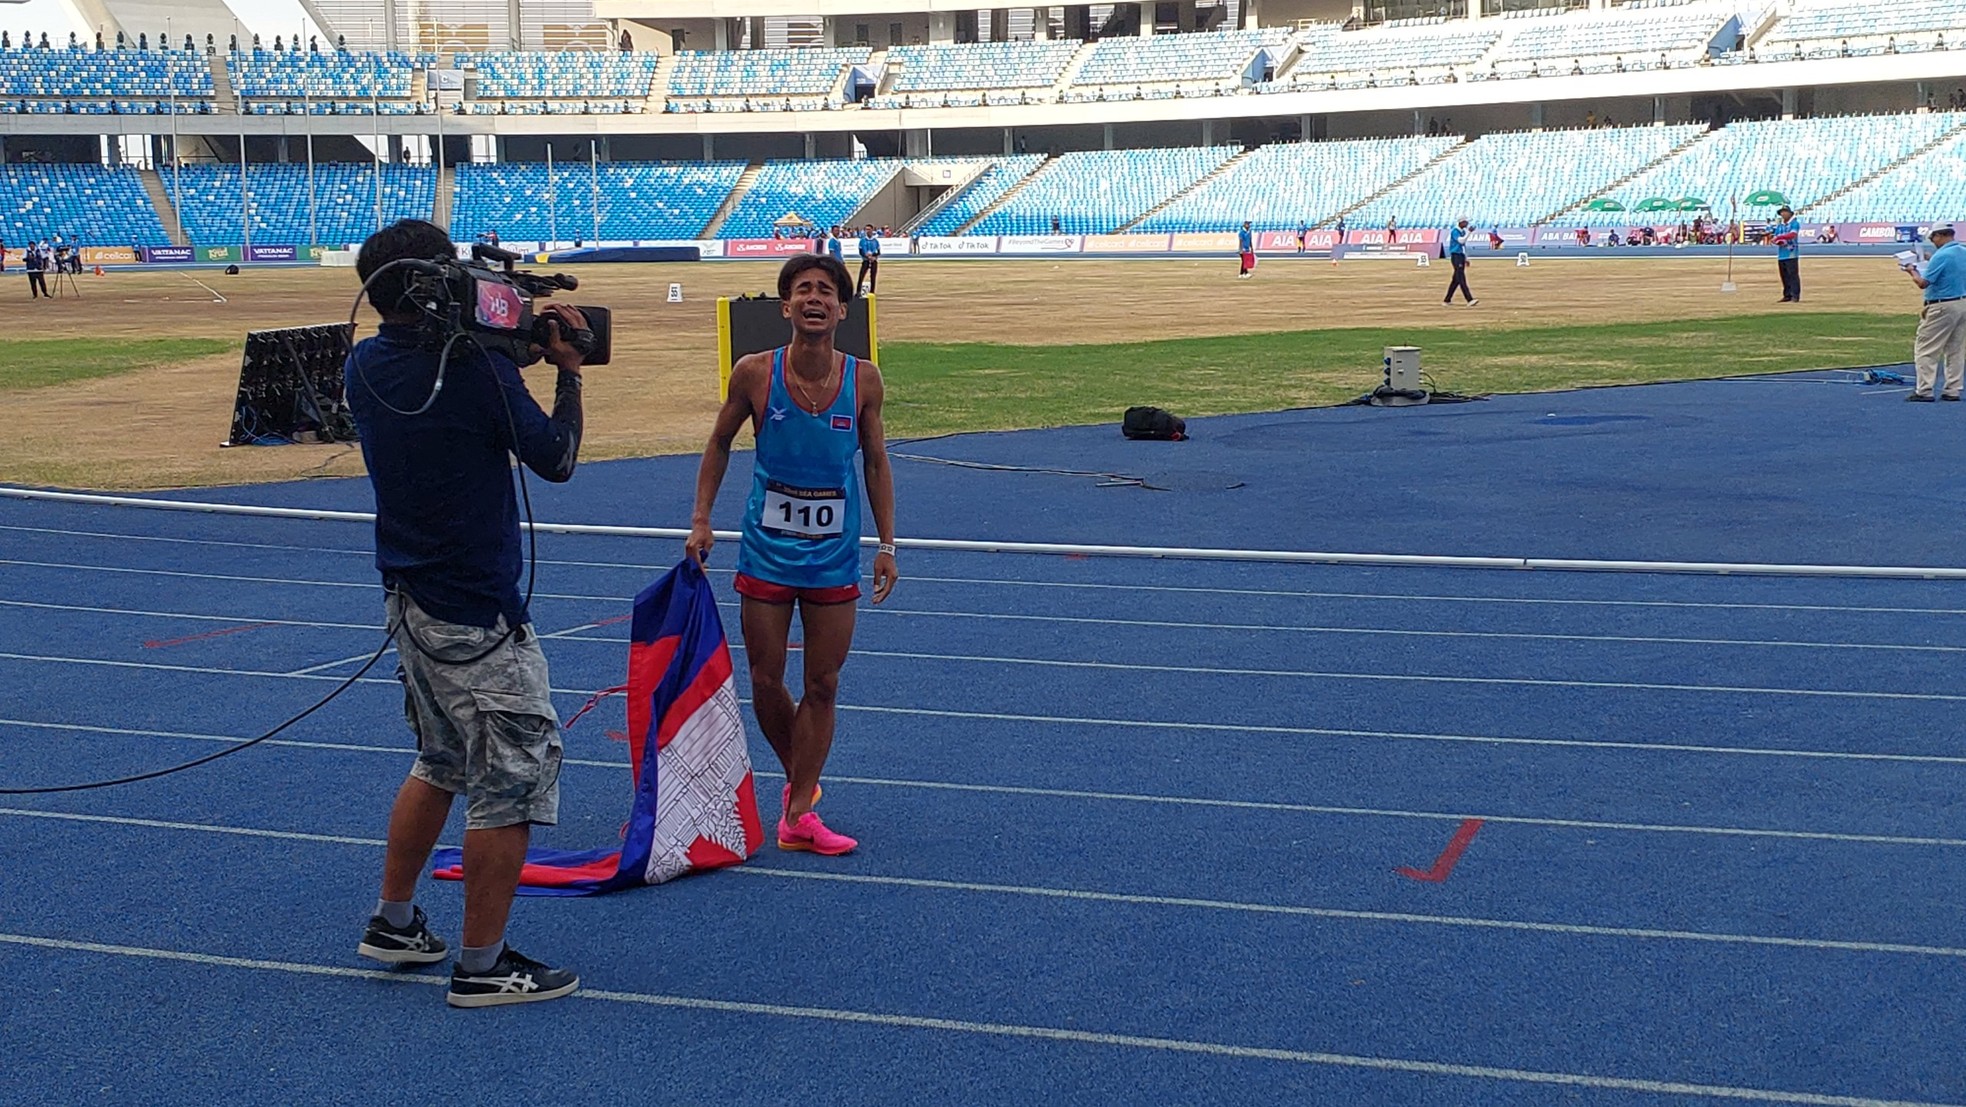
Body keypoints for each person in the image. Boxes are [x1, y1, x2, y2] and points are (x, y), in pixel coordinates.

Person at [344, 219, 591, 1008]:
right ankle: (483, 965)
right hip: (474, 611)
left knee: (442, 759)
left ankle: (395, 921)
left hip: (410, 599)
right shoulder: (475, 370)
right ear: (428, 282)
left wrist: (507, 344)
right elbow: (554, 457)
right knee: (512, 780)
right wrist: (568, 373)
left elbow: (449, 395)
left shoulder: (365, 364)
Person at [686, 253, 897, 856]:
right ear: (785, 306)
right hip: (766, 552)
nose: (814, 298)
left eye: (825, 291)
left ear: (841, 308)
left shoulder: (865, 379)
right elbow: (719, 442)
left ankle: (799, 811)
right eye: (802, 289)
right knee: (765, 679)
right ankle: (801, 779)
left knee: (824, 682)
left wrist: (886, 545)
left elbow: (877, 463)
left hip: (833, 555)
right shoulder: (754, 372)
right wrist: (702, 520)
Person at [1902, 225, 1966, 402]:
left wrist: (1911, 270)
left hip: (1942, 305)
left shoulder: (1942, 255)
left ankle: (1924, 390)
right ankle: (1953, 389)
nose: (1932, 241)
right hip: (1962, 301)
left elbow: (1923, 283)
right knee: (1956, 349)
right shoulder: (1962, 251)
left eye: (1933, 237)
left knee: (1926, 348)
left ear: (1940, 235)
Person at [1771, 204, 1802, 302]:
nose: (1783, 214)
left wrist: (1780, 238)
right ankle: (1787, 294)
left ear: (1789, 213)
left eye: (1785, 212)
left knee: (1793, 275)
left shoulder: (1794, 223)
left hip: (1791, 253)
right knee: (1784, 275)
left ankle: (1795, 295)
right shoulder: (1780, 226)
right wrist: (1777, 241)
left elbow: (1793, 234)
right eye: (1781, 212)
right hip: (1782, 254)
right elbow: (1775, 237)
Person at [1444, 217, 1476, 306]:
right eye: (1465, 222)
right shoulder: (1455, 231)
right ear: (1461, 223)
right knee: (1461, 278)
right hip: (1456, 256)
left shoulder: (1462, 232)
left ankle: (1447, 299)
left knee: (1456, 280)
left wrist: (1466, 258)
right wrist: (1469, 232)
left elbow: (1463, 246)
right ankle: (1469, 299)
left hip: (1460, 256)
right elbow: (1461, 241)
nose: (1467, 224)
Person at [855, 226, 880, 295]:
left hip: (873, 261)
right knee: (861, 276)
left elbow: (878, 251)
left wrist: (874, 257)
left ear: (872, 230)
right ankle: (858, 291)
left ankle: (872, 291)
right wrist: (867, 256)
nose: (868, 231)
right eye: (866, 229)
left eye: (869, 229)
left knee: (873, 277)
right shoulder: (862, 241)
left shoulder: (875, 241)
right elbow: (860, 251)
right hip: (865, 260)